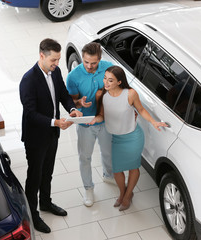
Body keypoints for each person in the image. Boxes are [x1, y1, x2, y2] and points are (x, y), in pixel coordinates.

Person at [19, 38, 82, 233]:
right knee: (35, 175)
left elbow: (62, 93)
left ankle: (46, 203)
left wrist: (71, 108)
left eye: (57, 59)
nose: (56, 64)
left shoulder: (56, 72)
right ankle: (33, 214)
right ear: (42, 55)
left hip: (52, 133)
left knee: (48, 171)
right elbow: (30, 113)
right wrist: (56, 122)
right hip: (36, 136)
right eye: (53, 60)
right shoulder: (28, 80)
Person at [90, 66, 168, 211]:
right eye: (105, 78)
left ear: (119, 82)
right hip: (117, 139)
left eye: (110, 80)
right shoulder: (101, 95)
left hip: (133, 137)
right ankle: (122, 192)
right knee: (116, 170)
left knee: (133, 167)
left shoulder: (130, 94)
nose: (106, 83)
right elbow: (101, 114)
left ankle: (127, 196)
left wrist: (153, 122)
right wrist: (96, 119)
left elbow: (142, 110)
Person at [66, 42, 115, 207]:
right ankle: (88, 188)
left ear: (100, 59)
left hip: (106, 121)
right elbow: (71, 101)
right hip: (86, 124)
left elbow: (120, 90)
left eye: (93, 63)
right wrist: (79, 102)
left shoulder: (109, 68)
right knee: (85, 157)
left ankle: (109, 175)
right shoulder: (73, 76)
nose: (89, 66)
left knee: (108, 152)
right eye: (86, 62)